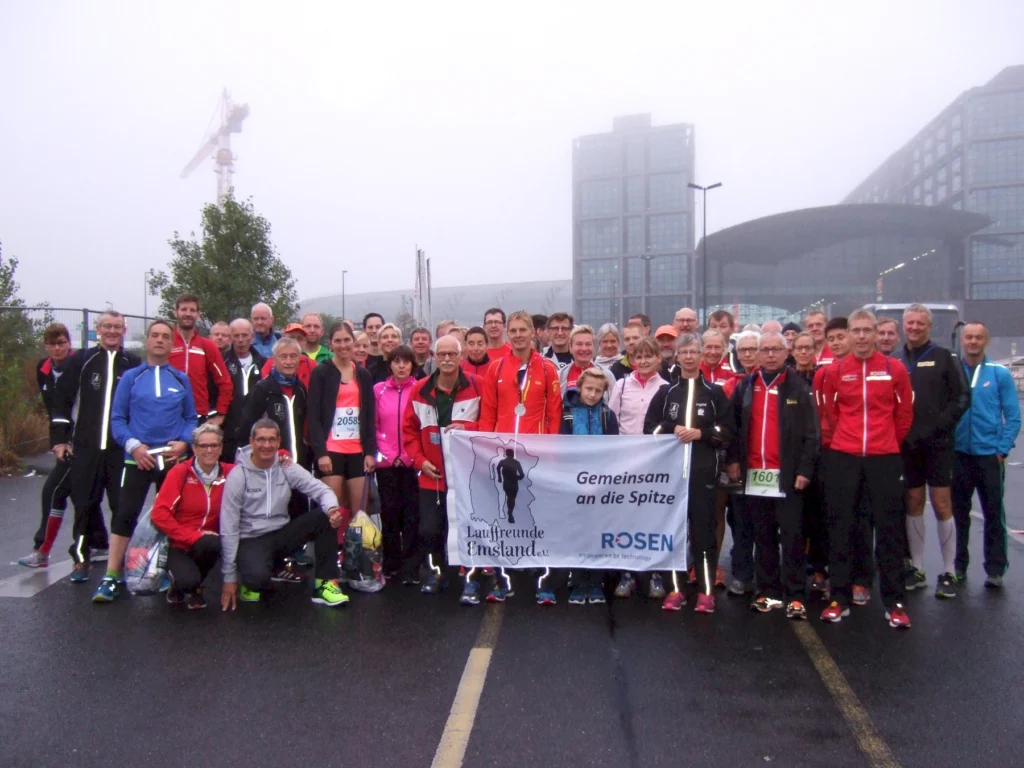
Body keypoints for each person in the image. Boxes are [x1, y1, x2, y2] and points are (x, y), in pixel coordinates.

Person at [819, 309, 914, 628]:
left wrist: (886, 442)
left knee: (889, 530)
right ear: (848, 334)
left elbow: (904, 413)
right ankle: (839, 598)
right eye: (855, 330)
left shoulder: (894, 368)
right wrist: (843, 441)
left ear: (876, 333)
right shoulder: (835, 371)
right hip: (844, 457)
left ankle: (894, 602)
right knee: (841, 527)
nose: (861, 336)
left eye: (866, 330)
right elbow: (829, 412)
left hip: (884, 457)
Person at [93, 319, 197, 603]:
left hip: (171, 459)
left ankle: (164, 571)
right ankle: (111, 576)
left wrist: (184, 442)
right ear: (147, 341)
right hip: (137, 459)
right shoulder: (131, 377)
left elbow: (191, 418)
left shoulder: (181, 379)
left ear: (172, 343)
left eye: (165, 336)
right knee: (125, 514)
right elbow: (118, 419)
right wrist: (134, 447)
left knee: (171, 518)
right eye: (155, 335)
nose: (160, 340)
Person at [726, 331, 818, 620]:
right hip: (755, 474)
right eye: (764, 349)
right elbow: (733, 427)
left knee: (792, 536)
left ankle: (795, 594)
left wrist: (804, 470)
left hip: (787, 476)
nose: (769, 354)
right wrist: (733, 460)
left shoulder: (797, 386)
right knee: (763, 536)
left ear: (785, 352)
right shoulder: (746, 386)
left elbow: (812, 433)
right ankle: (768, 591)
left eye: (775, 349)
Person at [645, 333, 734, 614]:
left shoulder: (714, 393)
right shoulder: (666, 393)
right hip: (672, 478)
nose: (689, 357)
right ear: (678, 356)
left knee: (704, 534)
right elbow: (650, 429)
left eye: (694, 352)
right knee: (674, 533)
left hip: (703, 474)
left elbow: (727, 431)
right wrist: (671, 428)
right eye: (684, 352)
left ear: (701, 355)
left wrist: (701, 433)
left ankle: (706, 591)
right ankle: (676, 589)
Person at [219, 419, 348, 609]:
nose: (266, 445)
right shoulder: (238, 476)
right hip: (252, 539)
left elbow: (322, 490)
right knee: (257, 580)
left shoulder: (285, 467)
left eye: (272, 439)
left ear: (279, 441)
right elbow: (228, 527)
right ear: (252, 441)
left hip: (281, 534)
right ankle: (251, 577)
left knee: (324, 517)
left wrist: (332, 509)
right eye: (261, 439)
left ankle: (324, 585)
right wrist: (229, 578)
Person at [478, 311, 561, 602]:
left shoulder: (547, 368)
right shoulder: (496, 368)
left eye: (522, 330)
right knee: (504, 514)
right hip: (504, 454)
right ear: (507, 333)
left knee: (538, 515)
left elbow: (554, 414)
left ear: (532, 332)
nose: (517, 335)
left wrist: (549, 453)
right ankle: (503, 580)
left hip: (535, 455)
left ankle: (543, 581)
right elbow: (488, 412)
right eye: (512, 330)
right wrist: (486, 449)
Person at [50, 311, 139, 580]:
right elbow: (61, 401)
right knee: (85, 505)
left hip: (119, 449)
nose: (112, 331)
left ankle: (119, 564)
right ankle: (81, 559)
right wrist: (60, 440)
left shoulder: (132, 363)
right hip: (85, 447)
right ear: (98, 330)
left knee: (121, 506)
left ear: (124, 331)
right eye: (107, 326)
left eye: (117, 327)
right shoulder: (82, 360)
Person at [898, 304, 971, 598]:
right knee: (913, 502)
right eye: (910, 323)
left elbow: (962, 397)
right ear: (904, 325)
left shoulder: (944, 356)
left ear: (929, 326)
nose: (914, 327)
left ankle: (949, 571)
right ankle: (917, 568)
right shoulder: (896, 359)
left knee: (942, 505)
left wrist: (939, 426)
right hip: (908, 445)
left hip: (939, 444)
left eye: (920, 323)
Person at [20, 324, 108, 568]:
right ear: (46, 346)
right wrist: (58, 440)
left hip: (82, 441)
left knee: (54, 490)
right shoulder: (44, 369)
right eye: (52, 344)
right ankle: (99, 543)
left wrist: (73, 439)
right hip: (63, 440)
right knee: (81, 493)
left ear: (69, 344)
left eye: (62, 343)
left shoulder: (80, 364)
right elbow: (54, 409)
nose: (57, 348)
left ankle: (42, 550)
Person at [402, 335, 482, 599]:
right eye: (442, 354)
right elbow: (409, 430)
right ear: (434, 357)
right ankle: (437, 572)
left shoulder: (478, 386)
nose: (447, 359)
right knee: (430, 529)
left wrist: (469, 428)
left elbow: (491, 424)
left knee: (469, 529)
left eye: (452, 354)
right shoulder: (420, 389)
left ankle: (470, 579)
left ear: (461, 356)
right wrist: (419, 461)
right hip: (432, 475)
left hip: (468, 476)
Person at [953, 322, 1021, 588]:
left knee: (993, 513)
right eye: (969, 337)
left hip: (989, 456)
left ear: (986, 341)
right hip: (959, 455)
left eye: (978, 337)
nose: (973, 341)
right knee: (958, 515)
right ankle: (958, 566)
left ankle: (995, 569)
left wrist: (1001, 450)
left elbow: (1013, 416)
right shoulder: (953, 371)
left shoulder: (999, 373)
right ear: (962, 340)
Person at [551, 368, 618, 606]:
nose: (592, 394)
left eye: (598, 391)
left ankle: (596, 582)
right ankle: (578, 581)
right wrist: (576, 480)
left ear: (604, 393)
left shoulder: (608, 415)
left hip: (600, 485)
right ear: (579, 387)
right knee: (578, 532)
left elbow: (614, 450)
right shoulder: (567, 414)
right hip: (574, 483)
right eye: (588, 389)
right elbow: (563, 448)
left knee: (598, 533)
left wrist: (600, 480)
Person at [607, 337, 668, 599]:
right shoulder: (621, 386)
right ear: (632, 360)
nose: (643, 361)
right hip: (626, 463)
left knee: (654, 520)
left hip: (655, 464)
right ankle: (627, 573)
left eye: (648, 356)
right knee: (627, 519)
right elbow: (612, 421)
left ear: (658, 359)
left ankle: (655, 574)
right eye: (638, 357)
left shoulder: (667, 388)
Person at [150, 423, 232, 609]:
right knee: (187, 581)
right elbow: (159, 514)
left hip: (207, 543)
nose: (209, 450)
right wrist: (192, 536)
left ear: (221, 448)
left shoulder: (230, 472)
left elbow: (258, 463)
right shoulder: (180, 472)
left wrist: (282, 456)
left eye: (214, 445)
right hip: (177, 543)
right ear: (194, 448)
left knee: (212, 543)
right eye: (203, 446)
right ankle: (177, 583)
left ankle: (197, 587)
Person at [308, 322, 377, 540]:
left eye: (347, 340)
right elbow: (314, 416)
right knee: (333, 512)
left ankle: (355, 554)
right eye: (337, 341)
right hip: (331, 450)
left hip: (357, 450)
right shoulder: (321, 372)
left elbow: (369, 415)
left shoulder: (363, 374)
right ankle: (333, 553)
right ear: (330, 344)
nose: (343, 345)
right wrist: (321, 453)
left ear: (354, 342)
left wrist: (370, 452)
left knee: (359, 513)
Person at [374, 344, 420, 583]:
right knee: (390, 514)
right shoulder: (378, 390)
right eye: (396, 361)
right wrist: (390, 455)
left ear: (412, 365)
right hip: (387, 464)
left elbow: (422, 427)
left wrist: (410, 456)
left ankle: (411, 566)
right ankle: (391, 563)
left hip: (413, 463)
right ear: (390, 364)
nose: (401, 366)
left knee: (412, 515)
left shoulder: (421, 389)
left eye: (406, 361)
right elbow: (374, 426)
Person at [239, 337, 308, 466]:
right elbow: (245, 429)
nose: (289, 362)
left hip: (299, 463)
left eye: (293, 356)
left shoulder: (301, 389)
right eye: (283, 357)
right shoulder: (262, 390)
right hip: (270, 464)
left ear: (300, 359)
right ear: (274, 359)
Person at [169, 293, 232, 427]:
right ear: (175, 312)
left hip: (197, 417)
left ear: (198, 314)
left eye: (192, 310)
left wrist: (220, 414)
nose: (188, 314)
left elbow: (225, 383)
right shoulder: (167, 342)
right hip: (169, 415)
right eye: (184, 309)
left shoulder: (207, 346)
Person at [221, 319, 266, 463]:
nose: (240, 340)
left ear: (252, 337)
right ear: (230, 337)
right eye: (236, 335)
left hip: (257, 433)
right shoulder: (221, 362)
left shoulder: (264, 363)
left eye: (245, 335)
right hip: (228, 432)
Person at [558, 325, 616, 399]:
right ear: (570, 347)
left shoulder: (607, 375)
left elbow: (613, 403)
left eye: (588, 344)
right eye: (579, 344)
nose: (584, 349)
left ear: (593, 347)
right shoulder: (560, 376)